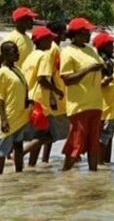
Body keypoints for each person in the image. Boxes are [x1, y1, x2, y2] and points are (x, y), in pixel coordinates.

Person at [60, 18, 105, 171]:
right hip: (79, 106)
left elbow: (100, 68)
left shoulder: (91, 50)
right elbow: (67, 79)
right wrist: (88, 69)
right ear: (76, 34)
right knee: (75, 144)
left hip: (96, 104)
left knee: (94, 146)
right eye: (86, 32)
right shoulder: (67, 52)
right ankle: (64, 175)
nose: (89, 35)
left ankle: (93, 178)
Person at [22, 26, 64, 166]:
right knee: (47, 135)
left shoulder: (30, 56)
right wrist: (57, 92)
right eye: (49, 39)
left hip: (31, 99)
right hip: (40, 100)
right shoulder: (44, 56)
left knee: (38, 135)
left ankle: (32, 165)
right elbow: (43, 79)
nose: (52, 41)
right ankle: (19, 153)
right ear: (41, 41)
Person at [0, 41, 33, 174]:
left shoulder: (17, 70)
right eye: (13, 52)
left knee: (18, 146)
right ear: (4, 55)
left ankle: (18, 174)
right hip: (9, 116)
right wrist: (3, 119)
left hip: (20, 115)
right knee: (3, 148)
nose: (17, 54)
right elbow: (0, 98)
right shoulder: (2, 72)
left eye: (17, 51)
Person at [40, 21, 69, 163]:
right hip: (56, 96)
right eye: (64, 31)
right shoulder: (53, 49)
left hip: (59, 94)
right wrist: (52, 96)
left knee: (51, 130)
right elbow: (48, 73)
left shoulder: (55, 48)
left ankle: (44, 159)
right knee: (65, 129)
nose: (66, 34)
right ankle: (73, 155)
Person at [93, 31, 114, 164]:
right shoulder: (101, 63)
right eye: (110, 44)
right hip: (105, 107)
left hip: (111, 107)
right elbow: (98, 84)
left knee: (108, 138)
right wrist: (110, 78)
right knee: (103, 140)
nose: (113, 47)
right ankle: (99, 165)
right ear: (103, 47)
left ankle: (106, 165)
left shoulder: (108, 61)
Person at [0, 7, 38, 73]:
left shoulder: (28, 38)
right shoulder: (10, 38)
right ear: (19, 21)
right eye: (28, 19)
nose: (32, 21)